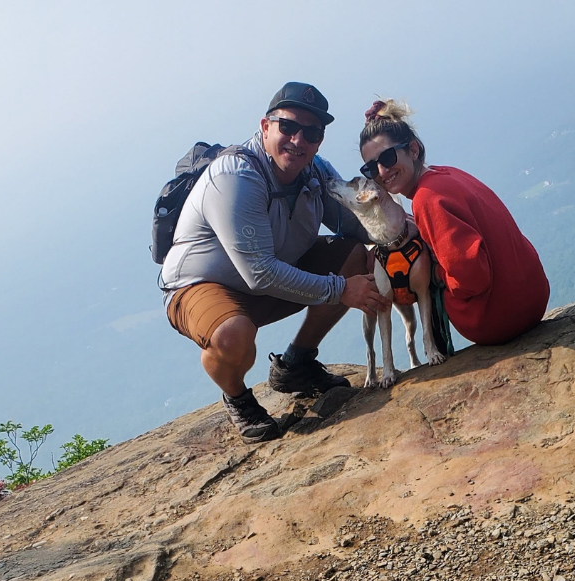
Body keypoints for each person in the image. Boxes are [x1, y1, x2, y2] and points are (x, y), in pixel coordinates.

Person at [160, 82, 388, 443]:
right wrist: (342, 289)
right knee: (232, 335)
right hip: (202, 287)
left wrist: (404, 231)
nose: (298, 140)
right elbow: (260, 273)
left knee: (354, 256)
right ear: (266, 127)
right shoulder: (235, 177)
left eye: (311, 133)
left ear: (319, 140)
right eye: (288, 127)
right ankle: (237, 397)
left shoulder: (314, 172)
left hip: (269, 278)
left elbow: (353, 223)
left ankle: (296, 364)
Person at [358, 100, 550, 347]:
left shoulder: (426, 199)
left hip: (498, 319)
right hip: (535, 296)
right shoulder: (446, 174)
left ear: (413, 150)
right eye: (371, 168)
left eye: (387, 157)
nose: (382, 172)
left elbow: (470, 277)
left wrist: (429, 274)